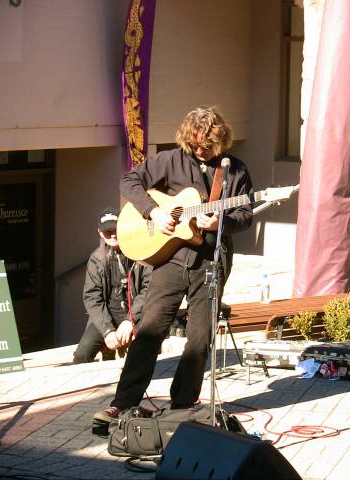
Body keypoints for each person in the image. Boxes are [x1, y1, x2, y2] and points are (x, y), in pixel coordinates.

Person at [94, 106, 253, 424]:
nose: (199, 150)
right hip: (171, 258)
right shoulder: (171, 160)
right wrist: (155, 212)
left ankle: (183, 404)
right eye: (194, 143)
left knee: (199, 337)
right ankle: (123, 402)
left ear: (219, 141)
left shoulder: (234, 171)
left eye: (206, 145)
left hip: (212, 260)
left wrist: (217, 221)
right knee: (151, 329)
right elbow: (130, 181)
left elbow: (245, 215)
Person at [73, 207, 151, 364]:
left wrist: (130, 321)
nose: (113, 235)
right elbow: (92, 298)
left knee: (144, 353)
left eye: (116, 229)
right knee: (82, 355)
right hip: (106, 317)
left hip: (135, 315)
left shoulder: (141, 253)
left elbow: (148, 290)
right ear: (100, 233)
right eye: (108, 231)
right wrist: (107, 331)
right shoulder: (96, 259)